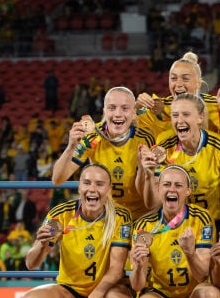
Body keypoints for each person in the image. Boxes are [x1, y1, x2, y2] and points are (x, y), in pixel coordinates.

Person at [22, 163, 134, 298]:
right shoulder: (62, 214)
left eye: (99, 184)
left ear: (109, 190)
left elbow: (116, 269)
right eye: (87, 183)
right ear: (79, 187)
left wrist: (97, 294)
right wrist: (42, 245)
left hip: (106, 292)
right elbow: (31, 264)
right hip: (71, 294)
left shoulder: (120, 216)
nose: (92, 189)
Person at [129, 165, 220, 298]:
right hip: (161, 296)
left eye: (178, 185)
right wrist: (138, 266)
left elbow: (202, 275)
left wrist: (190, 253)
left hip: (193, 297)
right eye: (166, 184)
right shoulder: (144, 226)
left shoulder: (201, 218)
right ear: (158, 189)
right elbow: (137, 286)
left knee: (210, 295)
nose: (172, 189)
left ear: (188, 191)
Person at [138, 93, 220, 228]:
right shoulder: (164, 149)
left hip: (218, 223)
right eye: (175, 115)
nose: (180, 121)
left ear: (200, 117)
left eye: (186, 114)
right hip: (182, 224)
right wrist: (148, 175)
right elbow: (153, 204)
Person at [52, 86, 155, 219]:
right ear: (104, 111)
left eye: (125, 108)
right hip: (106, 218)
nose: (118, 114)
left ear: (134, 113)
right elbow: (57, 179)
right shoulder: (92, 137)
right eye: (112, 108)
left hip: (140, 218)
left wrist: (143, 170)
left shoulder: (146, 139)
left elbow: (151, 198)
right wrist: (70, 147)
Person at [135, 52, 220, 142]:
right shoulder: (158, 108)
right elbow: (128, 125)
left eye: (185, 79)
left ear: (198, 83)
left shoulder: (216, 106)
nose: (178, 84)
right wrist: (137, 107)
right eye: (173, 78)